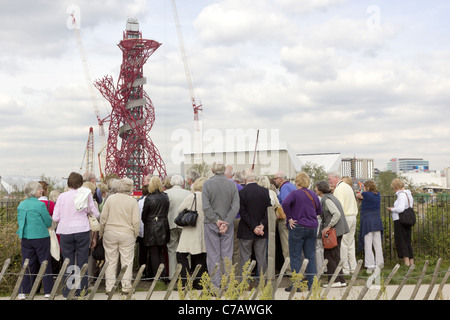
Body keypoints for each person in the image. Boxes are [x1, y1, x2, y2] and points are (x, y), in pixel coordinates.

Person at [53, 172, 100, 298]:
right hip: (82, 230)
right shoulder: (86, 195)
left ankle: (68, 291)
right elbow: (95, 214)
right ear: (81, 183)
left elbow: (55, 217)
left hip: (66, 231)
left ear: (68, 182)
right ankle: (82, 291)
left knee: (67, 261)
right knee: (82, 261)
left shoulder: (62, 197)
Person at [202, 160, 240, 289]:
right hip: (227, 224)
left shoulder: (207, 184)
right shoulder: (232, 185)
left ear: (212, 170)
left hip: (211, 223)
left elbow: (206, 207)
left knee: (213, 255)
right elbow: (236, 206)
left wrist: (216, 220)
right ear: (224, 171)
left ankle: (215, 286)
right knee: (227, 255)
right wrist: (227, 222)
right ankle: (228, 284)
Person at [100, 178, 140, 294]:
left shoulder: (110, 199)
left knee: (110, 260)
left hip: (110, 232)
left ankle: (110, 286)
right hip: (127, 232)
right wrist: (135, 234)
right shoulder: (132, 201)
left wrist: (101, 232)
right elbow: (136, 221)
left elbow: (103, 218)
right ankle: (126, 286)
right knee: (127, 260)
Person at [282, 172, 321, 291]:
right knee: (310, 256)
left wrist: (289, 218)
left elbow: (285, 203)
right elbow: (319, 210)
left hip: (298, 226)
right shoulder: (313, 194)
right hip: (312, 227)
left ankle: (296, 284)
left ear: (297, 182)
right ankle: (312, 284)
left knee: (295, 256)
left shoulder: (294, 194)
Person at [16, 181, 54, 300]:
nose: (41, 191)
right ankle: (48, 291)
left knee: (27, 263)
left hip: (26, 237)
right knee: (45, 262)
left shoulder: (21, 205)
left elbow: (19, 221)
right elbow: (48, 221)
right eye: (39, 189)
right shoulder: (40, 205)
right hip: (40, 237)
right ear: (33, 191)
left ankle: (23, 291)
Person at [237, 168, 271, 278]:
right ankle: (263, 282)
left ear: (244, 179)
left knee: (245, 258)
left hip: (246, 230)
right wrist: (261, 225)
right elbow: (268, 210)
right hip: (262, 230)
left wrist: (253, 227)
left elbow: (242, 212)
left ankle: (245, 283)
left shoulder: (242, 192)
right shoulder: (265, 191)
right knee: (261, 258)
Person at [315, 180, 349, 287]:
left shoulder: (327, 200)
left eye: (316, 187)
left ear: (320, 189)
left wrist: (329, 226)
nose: (315, 189)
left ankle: (334, 281)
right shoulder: (332, 197)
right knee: (335, 255)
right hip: (339, 230)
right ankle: (341, 280)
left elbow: (336, 214)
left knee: (329, 254)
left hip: (333, 231)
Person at [176, 177, 208, 289]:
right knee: (199, 257)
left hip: (190, 229)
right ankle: (198, 284)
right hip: (203, 230)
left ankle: (185, 281)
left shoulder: (191, 197)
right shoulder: (208, 198)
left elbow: (180, 209)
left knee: (181, 255)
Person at [328, 171, 358, 274]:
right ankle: (353, 268)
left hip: (345, 217)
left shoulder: (339, 189)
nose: (329, 181)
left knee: (343, 245)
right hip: (353, 216)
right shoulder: (347, 186)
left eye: (330, 179)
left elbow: (338, 208)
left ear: (336, 177)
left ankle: (345, 269)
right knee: (350, 243)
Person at [142, 176, 170, 280]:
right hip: (163, 225)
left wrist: (148, 222)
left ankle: (156, 276)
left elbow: (144, 215)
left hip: (151, 227)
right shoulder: (165, 197)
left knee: (153, 252)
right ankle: (163, 274)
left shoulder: (149, 198)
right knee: (161, 251)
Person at [258, 176, 290, 268]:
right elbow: (278, 205)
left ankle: (261, 269)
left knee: (260, 246)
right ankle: (271, 267)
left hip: (258, 221)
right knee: (270, 245)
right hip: (271, 221)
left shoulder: (258, 192)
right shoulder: (271, 193)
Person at [165, 174, 191, 278]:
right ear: (182, 183)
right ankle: (185, 274)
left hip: (171, 223)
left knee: (172, 249)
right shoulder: (188, 193)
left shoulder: (166, 193)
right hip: (185, 225)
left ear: (171, 183)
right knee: (185, 250)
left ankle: (172, 275)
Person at [356, 180, 384, 272]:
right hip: (377, 220)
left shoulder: (366, 194)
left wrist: (360, 191)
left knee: (368, 243)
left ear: (367, 187)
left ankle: (370, 264)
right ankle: (379, 263)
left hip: (368, 221)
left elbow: (358, 195)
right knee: (378, 243)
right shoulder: (378, 194)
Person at [387, 178, 414, 266]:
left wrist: (391, 209)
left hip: (400, 220)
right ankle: (411, 261)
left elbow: (401, 209)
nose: (394, 190)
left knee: (402, 240)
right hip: (407, 219)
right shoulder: (408, 194)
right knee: (408, 239)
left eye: (394, 188)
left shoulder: (401, 195)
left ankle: (406, 262)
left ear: (396, 187)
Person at [225, 165, 243, 267]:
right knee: (236, 248)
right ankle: (236, 275)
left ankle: (226, 274)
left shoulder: (221, 186)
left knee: (225, 247)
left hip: (224, 219)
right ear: (233, 174)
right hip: (237, 218)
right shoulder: (239, 187)